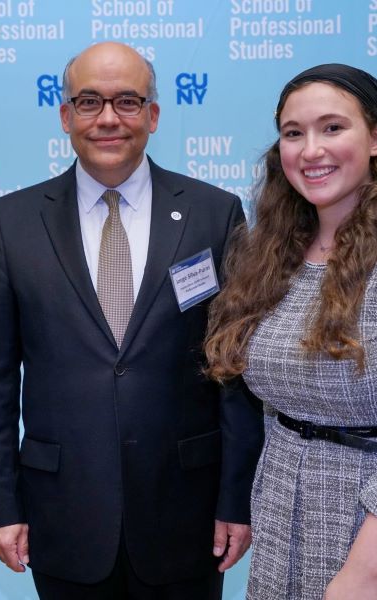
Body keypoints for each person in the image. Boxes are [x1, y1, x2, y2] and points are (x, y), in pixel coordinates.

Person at [0, 41, 263, 599]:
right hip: (61, 513)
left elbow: (235, 371)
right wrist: (1, 503)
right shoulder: (10, 221)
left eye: (128, 101)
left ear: (153, 115)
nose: (108, 118)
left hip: (187, 512)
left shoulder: (213, 213)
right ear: (65, 116)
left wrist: (236, 497)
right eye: (89, 102)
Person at [204, 63, 377, 600]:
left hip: (363, 534)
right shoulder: (271, 255)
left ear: (374, 137)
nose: (311, 150)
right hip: (282, 512)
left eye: (333, 128)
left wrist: (361, 574)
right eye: (293, 133)